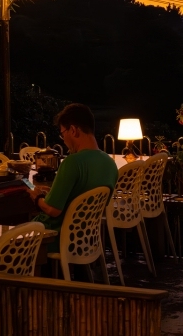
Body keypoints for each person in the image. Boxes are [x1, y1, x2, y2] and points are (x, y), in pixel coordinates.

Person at [28, 103, 117, 249]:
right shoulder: (109, 163)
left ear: (74, 130)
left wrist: (37, 197)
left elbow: (53, 210)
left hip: (56, 237)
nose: (63, 139)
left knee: (3, 241)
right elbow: (79, 197)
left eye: (63, 133)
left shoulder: (72, 162)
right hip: (85, 238)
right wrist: (53, 193)